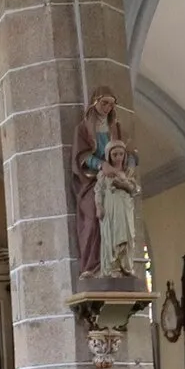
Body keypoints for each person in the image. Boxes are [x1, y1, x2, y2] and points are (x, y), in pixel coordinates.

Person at [73, 86, 131, 277]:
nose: (107, 108)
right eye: (104, 103)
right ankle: (93, 265)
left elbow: (123, 151)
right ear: (95, 102)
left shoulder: (115, 127)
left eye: (111, 104)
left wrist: (125, 164)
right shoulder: (83, 128)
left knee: (119, 219)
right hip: (91, 181)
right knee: (93, 216)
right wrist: (100, 165)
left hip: (114, 179)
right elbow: (80, 156)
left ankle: (117, 262)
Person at [95, 140, 141, 279]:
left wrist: (123, 184)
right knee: (113, 235)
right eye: (115, 154)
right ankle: (113, 266)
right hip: (111, 208)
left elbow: (135, 190)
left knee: (128, 235)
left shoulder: (128, 172)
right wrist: (99, 206)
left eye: (121, 154)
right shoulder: (104, 174)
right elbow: (98, 191)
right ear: (109, 156)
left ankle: (126, 266)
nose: (118, 157)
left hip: (125, 207)